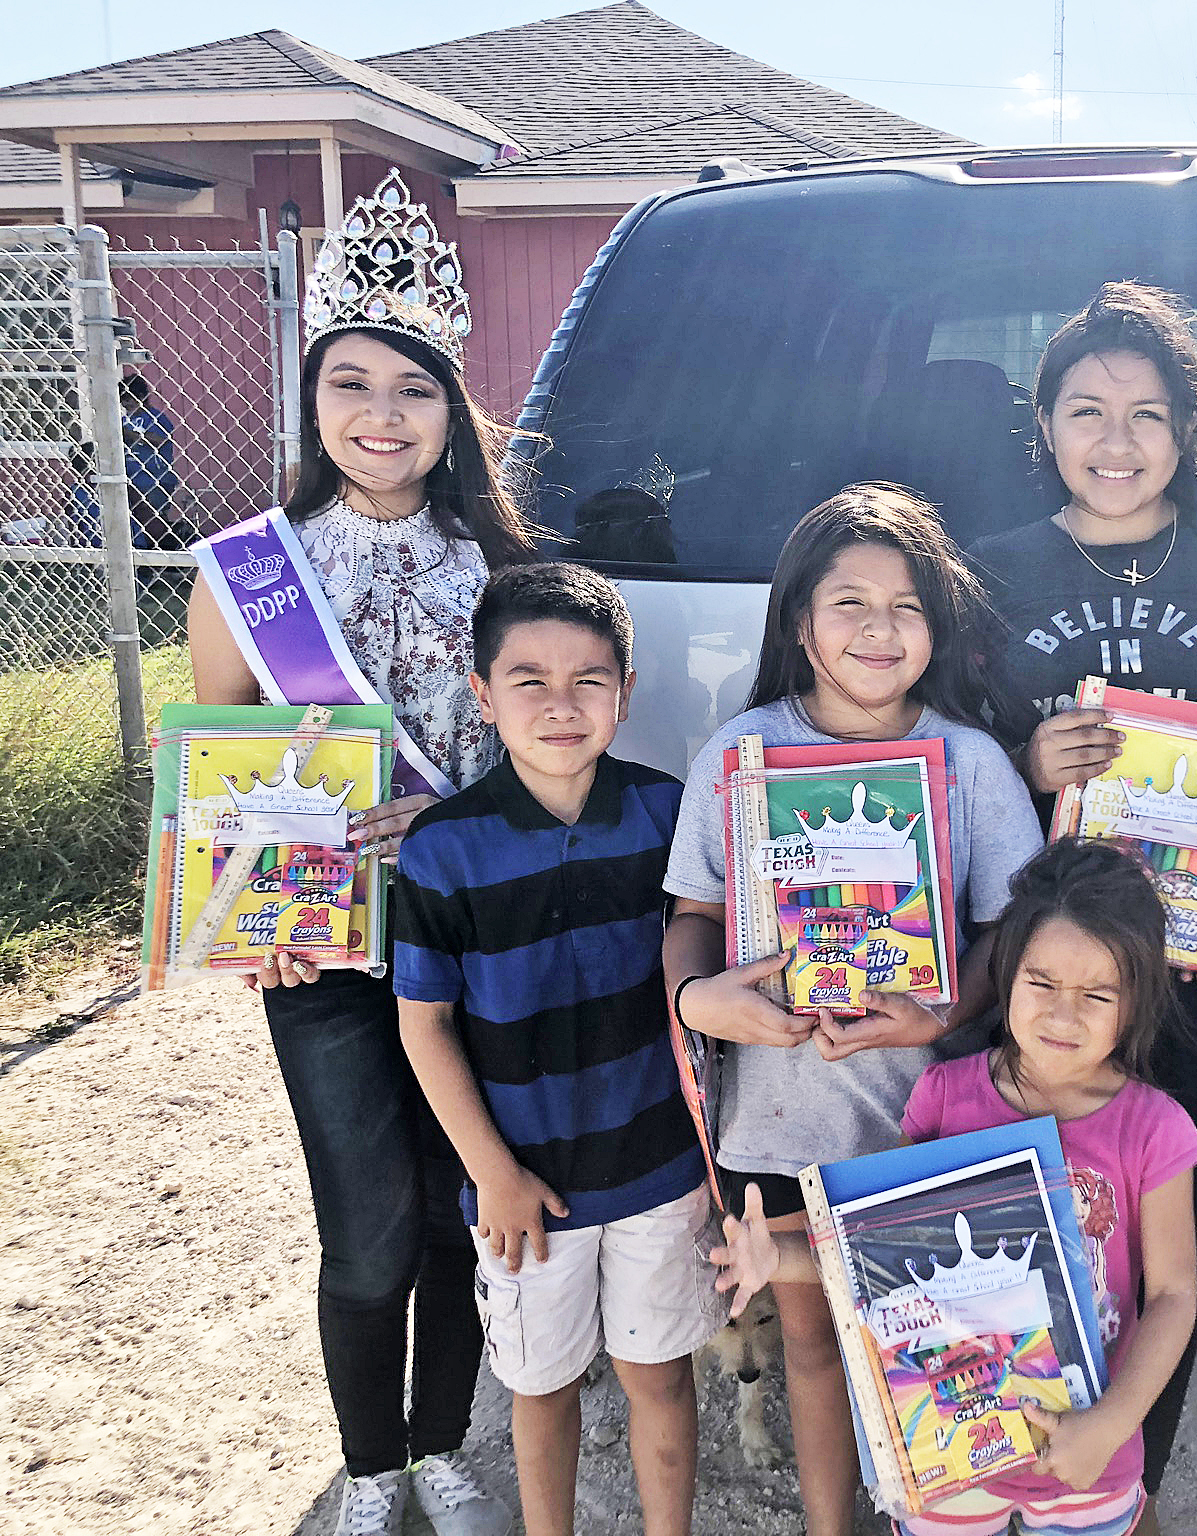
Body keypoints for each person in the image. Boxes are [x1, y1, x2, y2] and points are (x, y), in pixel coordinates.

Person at [185, 170, 535, 1536]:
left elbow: (539, 765)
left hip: (469, 934)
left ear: (452, 413)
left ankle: (445, 1443)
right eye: (352, 384)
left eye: (413, 388)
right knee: (368, 1224)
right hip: (319, 943)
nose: (380, 415)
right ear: (312, 400)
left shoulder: (499, 569)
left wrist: (445, 815)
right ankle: (371, 1467)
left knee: (459, 1214)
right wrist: (235, 911)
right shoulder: (248, 574)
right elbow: (211, 785)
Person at [966, 279, 1197, 1510]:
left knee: (1162, 1248)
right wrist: (1024, 760)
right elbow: (947, 764)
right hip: (1038, 975)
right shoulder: (988, 573)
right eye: (1086, 411)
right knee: (1025, 1228)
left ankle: (1123, 1488)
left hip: (1193, 974)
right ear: (1043, 425)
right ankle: (999, 1466)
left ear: (1189, 431)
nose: (1116, 443)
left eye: (1147, 415)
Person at [662, 483, 1042, 1536]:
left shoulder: (970, 765)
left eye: (906, 605)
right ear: (796, 620)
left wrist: (940, 1015)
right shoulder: (738, 755)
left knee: (936, 1332)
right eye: (848, 603)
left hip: (929, 1118)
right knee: (813, 1341)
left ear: (939, 624)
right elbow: (689, 912)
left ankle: (951, 1514)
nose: (880, 629)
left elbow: (1015, 936)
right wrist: (700, 1001)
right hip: (776, 1123)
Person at [714, 838, 1197, 1536]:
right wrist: (782, 1261)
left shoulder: (1155, 1128)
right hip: (945, 1444)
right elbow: (887, 1256)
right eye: (1042, 984)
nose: (1064, 1016)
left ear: (1138, 1000)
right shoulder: (945, 1096)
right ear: (1005, 975)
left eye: (1097, 994)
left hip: (1086, 1446)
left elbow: (1174, 1296)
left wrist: (1111, 1426)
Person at [392, 563, 721, 1536]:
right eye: (528, 679)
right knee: (540, 1390)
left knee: (657, 1376)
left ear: (625, 692)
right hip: (524, 1190)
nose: (561, 703)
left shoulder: (669, 815)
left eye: (588, 679)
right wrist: (491, 1173)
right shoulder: (444, 848)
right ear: (482, 694)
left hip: (660, 1169)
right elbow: (425, 1025)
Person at [121, 374, 186, 548]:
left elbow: (159, 439)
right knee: (134, 522)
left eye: (130, 400)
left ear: (142, 397)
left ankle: (159, 556)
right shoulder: (125, 420)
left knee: (153, 522)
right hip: (129, 479)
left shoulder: (156, 417)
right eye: (123, 400)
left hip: (154, 480)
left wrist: (130, 434)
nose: (126, 405)